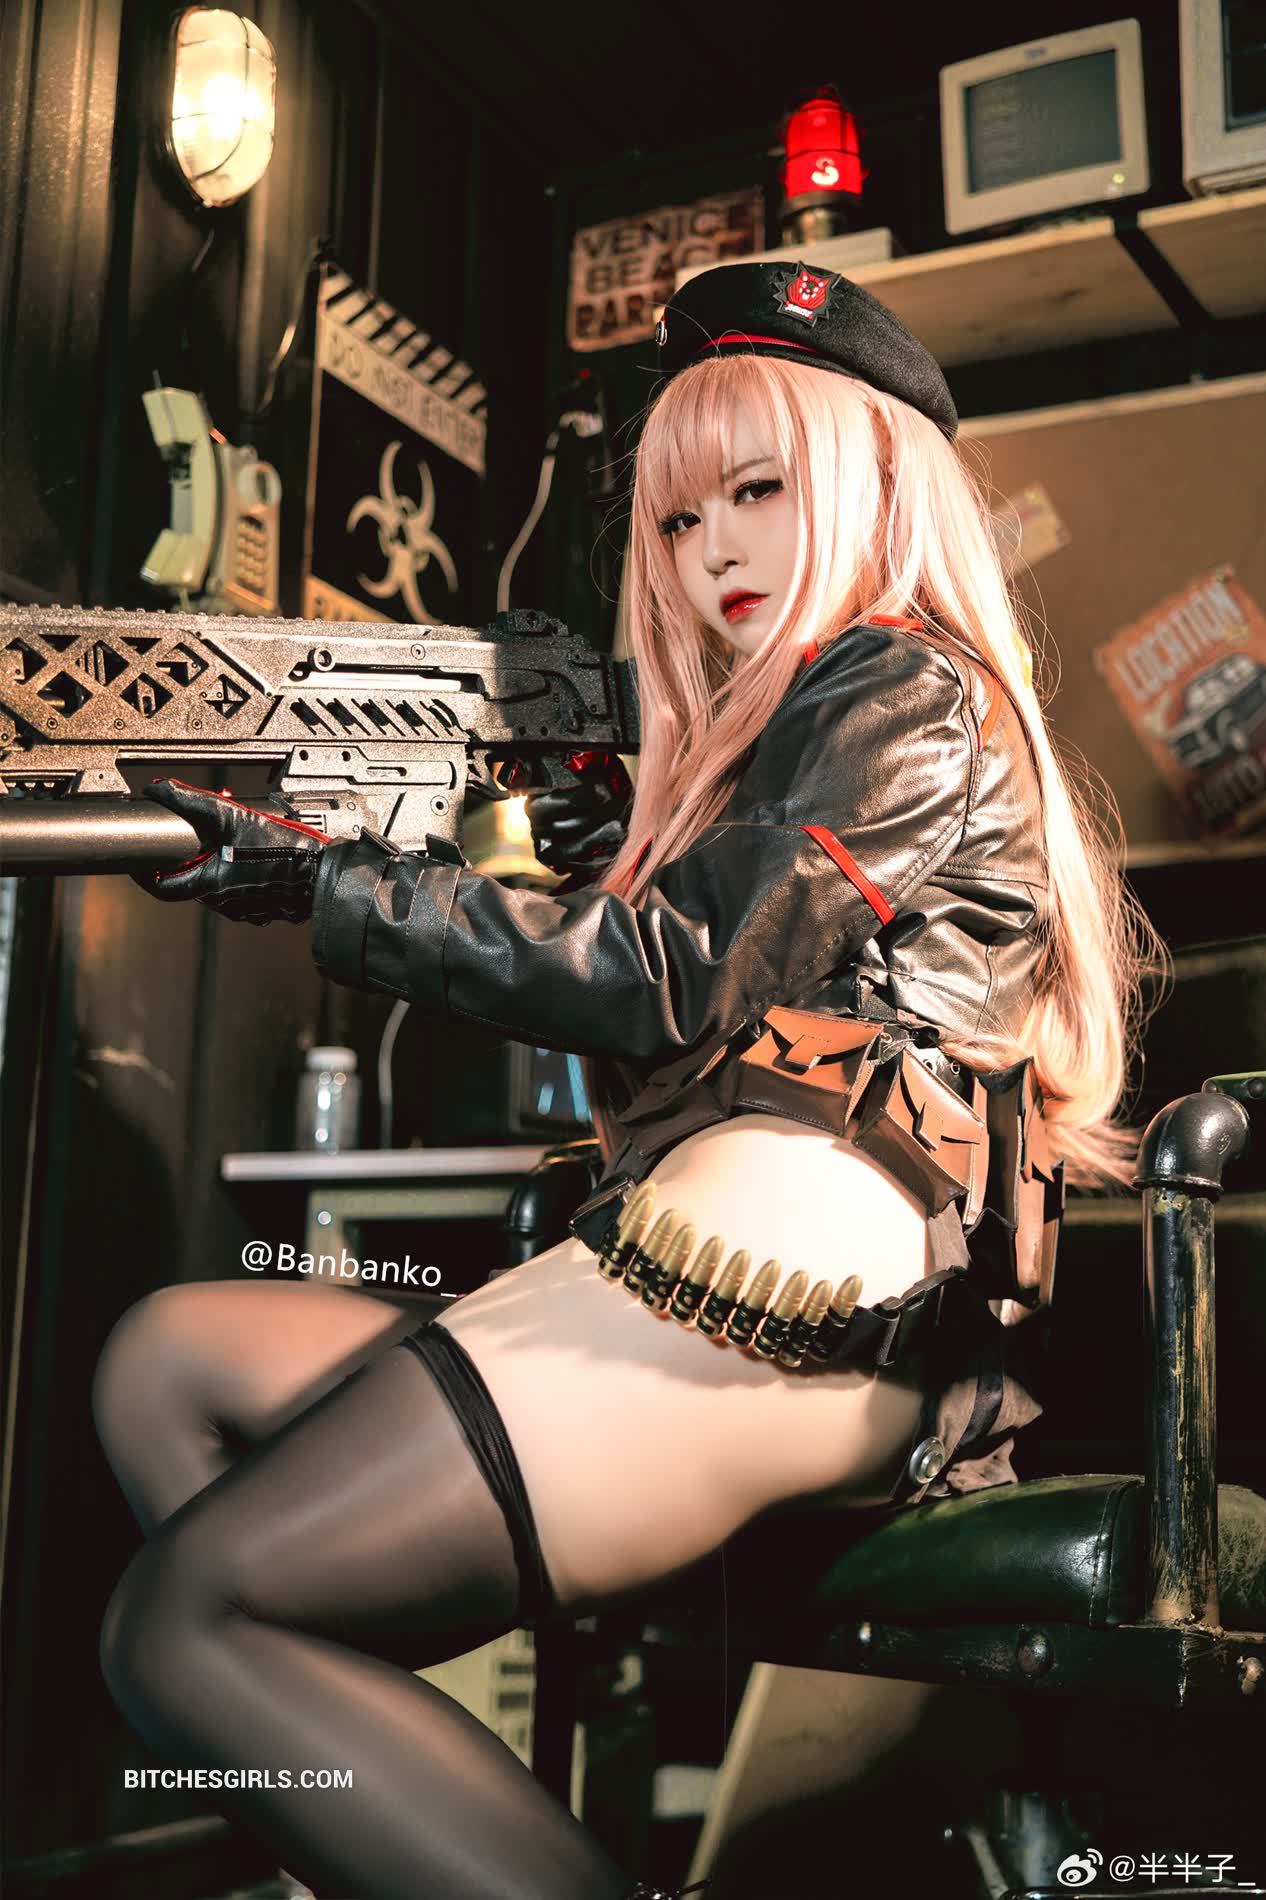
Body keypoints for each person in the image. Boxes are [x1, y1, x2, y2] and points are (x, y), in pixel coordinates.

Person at [93, 261, 1150, 1900]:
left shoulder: (902, 685)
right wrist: (610, 838)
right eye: (676, 517)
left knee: (186, 1622)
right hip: (732, 1250)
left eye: (757, 488)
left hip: (799, 1279)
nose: (710, 546)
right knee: (171, 1367)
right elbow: (703, 993)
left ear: (877, 481)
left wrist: (330, 885)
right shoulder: (810, 722)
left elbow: (672, 973)